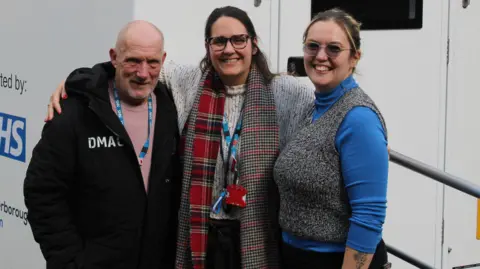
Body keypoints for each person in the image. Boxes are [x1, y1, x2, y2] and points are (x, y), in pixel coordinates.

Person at [45, 6, 314, 269]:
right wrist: (79, 81)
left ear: (254, 44)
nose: (229, 49)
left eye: (238, 40)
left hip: (256, 238)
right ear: (208, 47)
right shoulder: (188, 81)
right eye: (219, 41)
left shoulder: (287, 93)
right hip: (200, 236)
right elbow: (136, 66)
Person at [24, 21, 182, 269]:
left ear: (163, 60)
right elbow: (42, 191)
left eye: (152, 62)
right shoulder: (77, 111)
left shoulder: (173, 109)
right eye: (133, 60)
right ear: (114, 57)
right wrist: (70, 260)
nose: (143, 73)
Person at [273, 8, 391, 269]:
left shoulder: (358, 118)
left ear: (354, 58)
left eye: (334, 48)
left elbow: (369, 216)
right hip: (298, 256)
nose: (321, 56)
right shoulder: (312, 108)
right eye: (312, 46)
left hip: (336, 260)